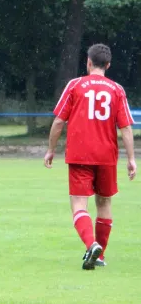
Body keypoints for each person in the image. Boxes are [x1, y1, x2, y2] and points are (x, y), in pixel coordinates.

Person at [44, 43, 136, 270]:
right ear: (108, 65)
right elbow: (125, 128)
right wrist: (131, 159)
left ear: (88, 61)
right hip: (107, 156)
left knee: (78, 204)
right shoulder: (117, 89)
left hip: (80, 154)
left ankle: (91, 244)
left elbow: (58, 121)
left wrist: (51, 149)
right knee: (104, 203)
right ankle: (100, 254)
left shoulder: (75, 85)